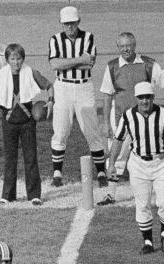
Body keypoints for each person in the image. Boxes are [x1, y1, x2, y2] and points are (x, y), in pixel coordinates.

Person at [98, 31, 164, 181]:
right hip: (120, 116)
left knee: (148, 151)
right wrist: (106, 122)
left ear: (134, 46)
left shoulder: (148, 64)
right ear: (118, 47)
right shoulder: (112, 66)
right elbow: (107, 96)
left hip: (144, 118)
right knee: (117, 155)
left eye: (128, 45)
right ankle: (111, 193)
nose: (125, 49)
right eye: (122, 46)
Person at [108, 82, 164, 255]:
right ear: (136, 98)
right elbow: (118, 140)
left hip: (161, 162)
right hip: (138, 164)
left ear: (153, 98)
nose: (145, 101)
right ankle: (148, 241)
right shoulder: (128, 116)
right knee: (142, 204)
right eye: (141, 98)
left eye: (148, 97)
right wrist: (112, 164)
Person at [47, 6, 108, 188]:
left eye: (72, 23)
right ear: (62, 23)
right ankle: (57, 173)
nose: (69, 27)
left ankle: (101, 172)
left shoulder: (88, 37)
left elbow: (89, 65)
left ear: (78, 22)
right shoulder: (55, 39)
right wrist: (78, 60)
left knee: (92, 130)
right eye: (66, 24)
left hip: (83, 87)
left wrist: (67, 63)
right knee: (61, 130)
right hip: (63, 87)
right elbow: (54, 65)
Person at [0, 43, 51, 205]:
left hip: (26, 122)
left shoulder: (30, 72)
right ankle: (8, 195)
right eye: (12, 59)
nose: (16, 62)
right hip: (9, 122)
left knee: (30, 157)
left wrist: (50, 101)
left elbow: (48, 85)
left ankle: (34, 194)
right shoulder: (1, 76)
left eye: (18, 59)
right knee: (10, 158)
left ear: (23, 59)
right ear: (7, 60)